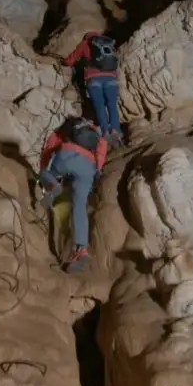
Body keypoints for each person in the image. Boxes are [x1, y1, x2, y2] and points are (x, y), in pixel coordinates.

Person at [38, 117, 108, 273]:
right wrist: (97, 168)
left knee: (45, 173)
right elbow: (102, 145)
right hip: (88, 165)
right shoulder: (93, 128)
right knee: (80, 206)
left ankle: (54, 186)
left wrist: (45, 174)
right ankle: (81, 250)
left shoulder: (64, 129)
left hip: (67, 156)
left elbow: (49, 148)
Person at [63, 31, 123, 147]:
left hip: (94, 79)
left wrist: (64, 62)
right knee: (112, 105)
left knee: (100, 105)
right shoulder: (108, 43)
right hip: (111, 78)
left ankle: (105, 131)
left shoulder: (85, 44)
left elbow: (70, 60)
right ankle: (116, 130)